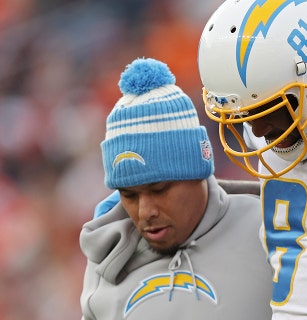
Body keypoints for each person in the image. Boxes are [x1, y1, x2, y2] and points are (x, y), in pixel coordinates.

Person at [79, 57, 273, 320]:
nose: (145, 211)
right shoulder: (105, 260)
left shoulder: (271, 228)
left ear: (198, 172)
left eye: (159, 189)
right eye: (129, 195)